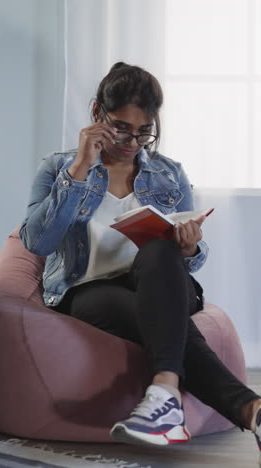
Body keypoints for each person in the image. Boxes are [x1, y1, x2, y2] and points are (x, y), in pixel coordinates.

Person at [20, 62, 261, 453]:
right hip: (89, 289)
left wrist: (190, 246)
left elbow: (193, 260)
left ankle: (164, 394)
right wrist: (80, 168)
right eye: (121, 128)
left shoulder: (169, 174)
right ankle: (250, 409)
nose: (133, 142)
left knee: (161, 251)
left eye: (144, 131)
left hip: (162, 279)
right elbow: (37, 242)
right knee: (165, 321)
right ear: (98, 114)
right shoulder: (58, 167)